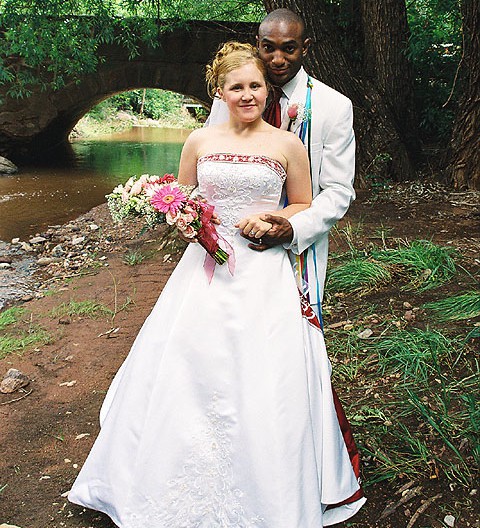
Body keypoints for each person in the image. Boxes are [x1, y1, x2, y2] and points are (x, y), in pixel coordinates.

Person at [68, 42, 364, 527]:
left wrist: (272, 219)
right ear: (220, 92)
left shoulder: (286, 144)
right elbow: (185, 198)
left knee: (261, 370)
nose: (247, 95)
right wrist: (173, 213)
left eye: (254, 86)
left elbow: (301, 204)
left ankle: (268, 483)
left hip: (260, 269)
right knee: (187, 364)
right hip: (203, 270)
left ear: (266, 89)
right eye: (236, 87)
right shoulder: (197, 143)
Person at [207, 9, 356, 318]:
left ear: (305, 47)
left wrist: (291, 229)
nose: (277, 59)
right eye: (268, 47)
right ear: (257, 45)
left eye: (288, 48)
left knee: (284, 330)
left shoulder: (333, 107)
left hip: (296, 244)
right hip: (230, 246)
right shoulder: (233, 97)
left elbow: (339, 191)